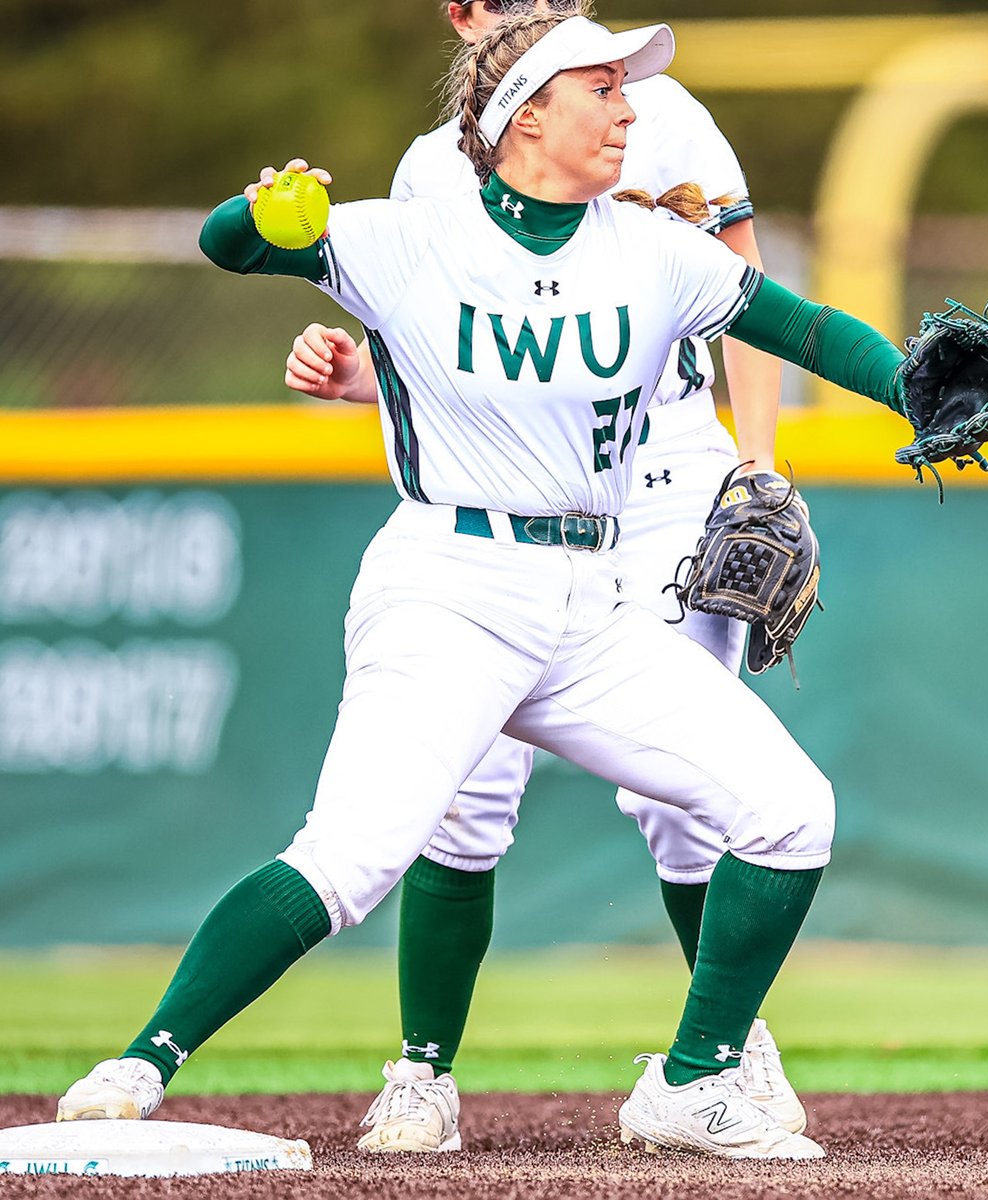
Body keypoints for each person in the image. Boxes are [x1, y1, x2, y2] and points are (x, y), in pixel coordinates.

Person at [56, 12, 912, 1160]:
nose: (628, 109)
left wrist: (915, 389)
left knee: (790, 810)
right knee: (354, 856)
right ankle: (142, 1060)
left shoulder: (650, 246)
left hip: (588, 599)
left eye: (625, 87)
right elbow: (230, 247)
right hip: (449, 584)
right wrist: (262, 214)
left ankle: (695, 1079)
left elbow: (800, 326)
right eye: (602, 87)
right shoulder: (416, 236)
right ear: (525, 118)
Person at [285, 0, 795, 1154]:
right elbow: (442, 342)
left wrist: (757, 465)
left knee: (688, 790)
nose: (535, 10)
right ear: (459, 15)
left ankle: (726, 1053)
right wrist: (357, 372)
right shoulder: (430, 171)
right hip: (506, 493)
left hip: (663, 474)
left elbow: (750, 295)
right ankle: (423, 1073)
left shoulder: (659, 115)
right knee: (461, 797)